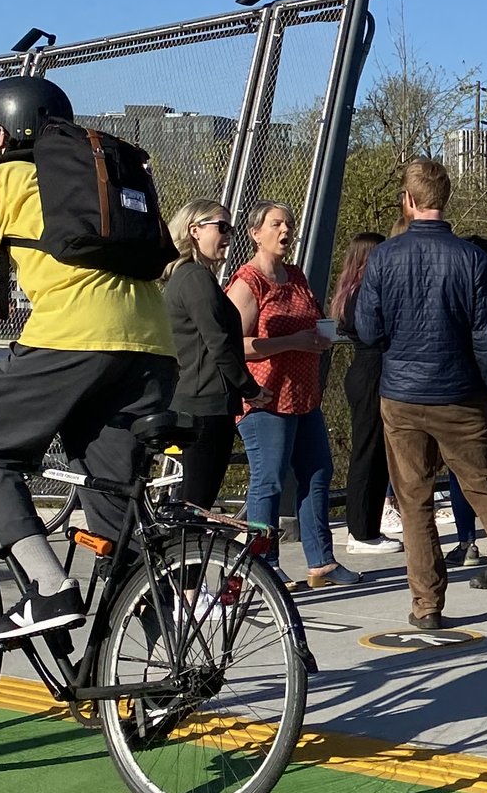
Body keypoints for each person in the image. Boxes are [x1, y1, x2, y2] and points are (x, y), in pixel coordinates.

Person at [0, 76, 175, 643]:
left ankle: (48, 589)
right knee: (111, 500)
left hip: (73, 334)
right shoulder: (101, 176)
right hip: (154, 345)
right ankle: (152, 668)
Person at [352, 156, 487, 630]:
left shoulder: (384, 258)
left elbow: (367, 329)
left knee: (415, 501)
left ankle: (427, 605)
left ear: (407, 201)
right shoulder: (471, 258)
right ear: (444, 199)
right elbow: (486, 338)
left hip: (403, 395)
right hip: (460, 392)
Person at [229, 202, 347, 590]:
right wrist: (291, 342)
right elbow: (235, 344)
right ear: (255, 232)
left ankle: (322, 563)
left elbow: (310, 317)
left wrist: (320, 337)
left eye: (289, 224)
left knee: (317, 473)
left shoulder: (295, 276)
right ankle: (263, 564)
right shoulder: (248, 282)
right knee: (269, 480)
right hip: (265, 397)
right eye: (276, 224)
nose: (285, 230)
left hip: (304, 397)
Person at [161, 200, 256, 511]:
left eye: (231, 228)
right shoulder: (195, 279)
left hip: (202, 400)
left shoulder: (192, 277)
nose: (229, 235)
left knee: (195, 499)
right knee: (196, 502)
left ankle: (181, 557)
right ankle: (179, 558)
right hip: (206, 404)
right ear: (194, 231)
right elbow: (218, 343)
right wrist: (251, 388)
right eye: (221, 227)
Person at [332, 231, 402, 558]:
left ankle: (370, 526)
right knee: (367, 450)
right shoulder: (363, 294)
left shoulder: (352, 292)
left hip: (368, 371)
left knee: (376, 452)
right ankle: (359, 530)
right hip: (371, 371)